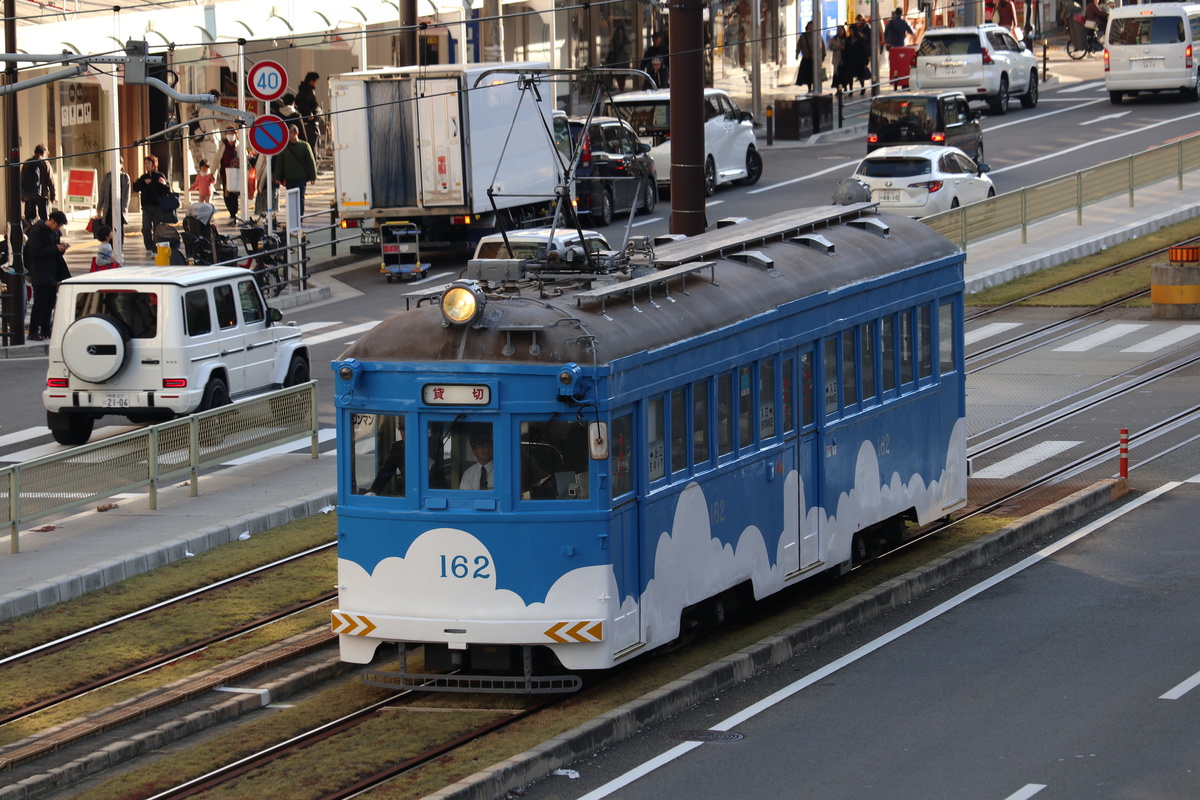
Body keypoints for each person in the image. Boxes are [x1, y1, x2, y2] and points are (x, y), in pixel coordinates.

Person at [26, 210, 70, 340]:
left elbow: (54, 251)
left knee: (50, 302)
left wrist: (61, 248)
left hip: (52, 271)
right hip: (40, 272)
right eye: (57, 225)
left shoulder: (55, 232)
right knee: (39, 302)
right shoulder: (37, 231)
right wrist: (55, 248)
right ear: (51, 220)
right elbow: (35, 252)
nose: (58, 228)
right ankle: (33, 330)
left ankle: (46, 329)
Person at [273, 124, 318, 216]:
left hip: (301, 177)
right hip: (289, 177)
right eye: (288, 133)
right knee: (291, 198)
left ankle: (299, 217)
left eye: (291, 132)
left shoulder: (304, 146)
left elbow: (311, 162)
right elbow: (279, 163)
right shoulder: (284, 147)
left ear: (297, 133)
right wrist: (277, 177)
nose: (289, 135)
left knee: (300, 197)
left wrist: (314, 177)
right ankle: (292, 217)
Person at [130, 155, 170, 256]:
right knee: (146, 228)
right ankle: (149, 247)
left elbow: (167, 190)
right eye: (145, 163)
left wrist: (165, 184)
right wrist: (143, 183)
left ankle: (156, 249)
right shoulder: (144, 177)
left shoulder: (159, 175)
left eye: (149, 163)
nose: (147, 165)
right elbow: (136, 188)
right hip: (146, 207)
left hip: (158, 207)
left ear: (154, 164)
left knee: (157, 229)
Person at [20, 145, 55, 223]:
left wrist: (23, 196)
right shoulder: (45, 164)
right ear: (43, 153)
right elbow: (50, 181)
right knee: (44, 218)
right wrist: (53, 196)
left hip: (28, 195)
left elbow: (22, 179)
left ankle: (29, 233)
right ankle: (43, 234)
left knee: (29, 218)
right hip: (42, 195)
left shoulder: (27, 163)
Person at [218, 126, 241, 222]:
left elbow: (244, 158)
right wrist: (212, 173)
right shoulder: (223, 146)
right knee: (226, 195)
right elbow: (217, 159)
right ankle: (232, 212)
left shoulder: (239, 146)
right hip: (224, 175)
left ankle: (233, 214)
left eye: (232, 133)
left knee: (233, 196)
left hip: (235, 175)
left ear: (236, 135)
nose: (230, 135)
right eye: (228, 133)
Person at [795, 20, 826, 90]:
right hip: (806, 58)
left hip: (814, 59)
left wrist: (823, 55)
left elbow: (822, 46)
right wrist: (797, 53)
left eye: (812, 26)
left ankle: (815, 87)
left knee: (814, 74)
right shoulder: (803, 37)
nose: (810, 28)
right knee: (807, 75)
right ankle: (809, 87)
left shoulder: (817, 36)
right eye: (809, 26)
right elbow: (799, 45)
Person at [294, 72, 322, 150]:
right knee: (312, 144)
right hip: (310, 123)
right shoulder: (307, 90)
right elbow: (302, 103)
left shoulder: (304, 89)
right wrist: (309, 114)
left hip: (309, 122)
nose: (316, 83)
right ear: (311, 81)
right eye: (315, 81)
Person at [98, 161, 130, 229]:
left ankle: (119, 240)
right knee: (108, 229)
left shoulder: (124, 177)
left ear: (121, 165)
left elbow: (127, 195)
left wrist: (124, 208)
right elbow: (102, 192)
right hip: (108, 207)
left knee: (119, 229)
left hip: (119, 208)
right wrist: (99, 207)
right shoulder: (107, 176)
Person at [606, 23, 630, 91]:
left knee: (623, 75)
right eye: (619, 31)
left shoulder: (625, 40)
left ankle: (621, 88)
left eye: (621, 31)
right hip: (616, 59)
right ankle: (618, 86)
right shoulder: (614, 41)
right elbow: (611, 48)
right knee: (618, 74)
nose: (620, 33)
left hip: (623, 59)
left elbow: (628, 47)